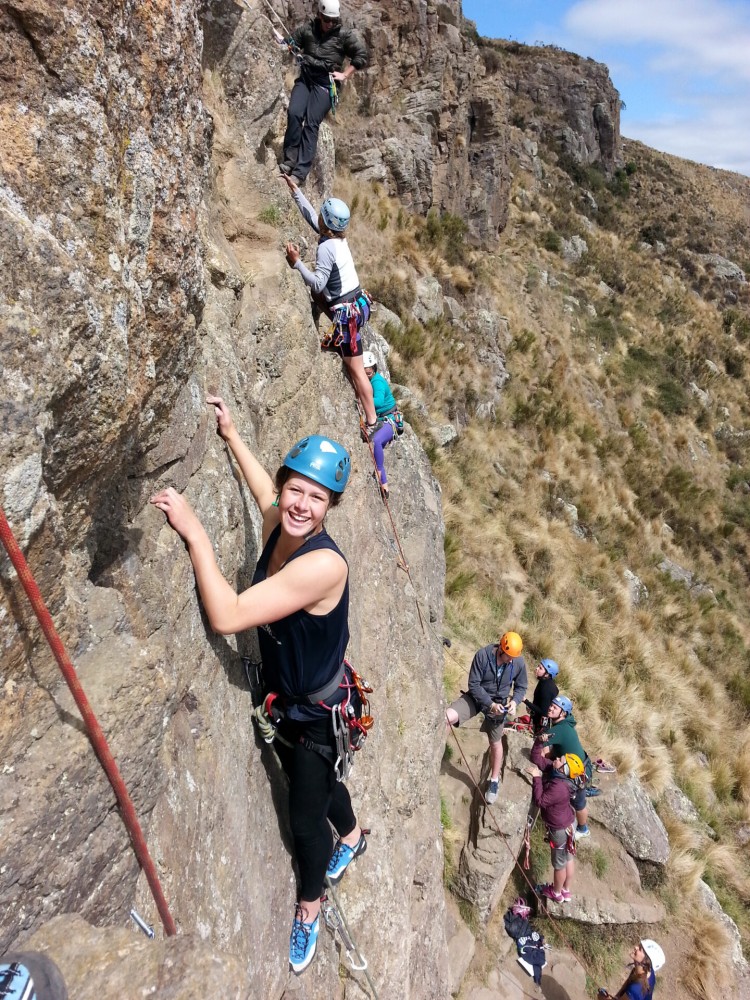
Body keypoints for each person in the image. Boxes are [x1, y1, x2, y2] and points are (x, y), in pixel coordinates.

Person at [150, 398, 366, 975]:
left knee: (302, 816)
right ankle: (353, 833)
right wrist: (231, 433)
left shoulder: (324, 565)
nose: (300, 504)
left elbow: (227, 617)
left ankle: (310, 905)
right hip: (293, 699)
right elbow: (262, 494)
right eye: (296, 489)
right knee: (313, 783)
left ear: (330, 507)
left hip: (315, 714)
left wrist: (196, 533)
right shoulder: (281, 521)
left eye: (317, 497)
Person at [283, 176, 380, 440]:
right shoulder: (337, 239)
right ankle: (371, 413)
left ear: (328, 221)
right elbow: (315, 220)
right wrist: (295, 192)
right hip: (357, 304)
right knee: (355, 364)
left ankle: (372, 420)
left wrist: (296, 263)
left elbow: (317, 284)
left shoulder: (326, 248)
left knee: (356, 369)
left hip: (347, 314)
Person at [279, 0, 368, 185]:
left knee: (311, 123)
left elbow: (361, 55)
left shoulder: (343, 35)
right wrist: (286, 44)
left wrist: (345, 74)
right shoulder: (308, 30)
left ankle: (300, 173)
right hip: (306, 79)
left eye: (333, 21)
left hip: (325, 84)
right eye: (327, 20)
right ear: (320, 16)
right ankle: (290, 160)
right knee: (295, 113)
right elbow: (291, 41)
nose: (330, 24)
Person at [445, 631, 528, 804]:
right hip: (478, 698)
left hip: (499, 704)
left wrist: (514, 701)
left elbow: (521, 686)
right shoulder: (482, 656)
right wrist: (490, 704)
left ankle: (494, 780)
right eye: (509, 656)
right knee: (447, 717)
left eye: (514, 656)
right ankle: (436, 754)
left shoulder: (518, 661)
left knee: (495, 742)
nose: (512, 660)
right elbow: (473, 685)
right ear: (502, 649)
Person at [529, 742, 582, 903]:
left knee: (559, 864)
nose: (557, 758)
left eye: (560, 760)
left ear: (563, 769)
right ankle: (566, 890)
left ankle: (556, 893)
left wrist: (537, 778)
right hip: (568, 825)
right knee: (568, 858)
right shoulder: (562, 777)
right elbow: (537, 758)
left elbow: (540, 801)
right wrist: (539, 742)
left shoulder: (559, 787)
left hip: (559, 830)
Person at [540, 694, 592, 840]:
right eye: (551, 705)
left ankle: (582, 829)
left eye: (554, 707)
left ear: (563, 713)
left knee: (578, 803)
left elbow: (541, 747)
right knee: (577, 801)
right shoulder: (563, 725)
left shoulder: (561, 729)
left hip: (576, 772)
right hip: (576, 766)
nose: (550, 708)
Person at [362, 350, 399, 500]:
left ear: (374, 370)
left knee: (376, 441)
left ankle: (380, 476)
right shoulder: (371, 380)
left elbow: (378, 402)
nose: (366, 376)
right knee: (376, 444)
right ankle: (383, 482)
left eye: (368, 373)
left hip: (390, 420)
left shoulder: (377, 382)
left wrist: (361, 396)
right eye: (363, 373)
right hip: (384, 419)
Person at [597, 939, 665, 999]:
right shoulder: (647, 971)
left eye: (640, 949)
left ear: (646, 961)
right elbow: (629, 981)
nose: (636, 947)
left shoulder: (636, 989)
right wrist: (617, 997)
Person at [524, 658, 559, 735]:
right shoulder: (545, 681)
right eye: (538, 666)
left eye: (540, 668)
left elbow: (543, 711)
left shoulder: (546, 688)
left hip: (541, 725)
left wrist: (526, 701)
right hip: (538, 720)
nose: (536, 668)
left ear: (547, 674)